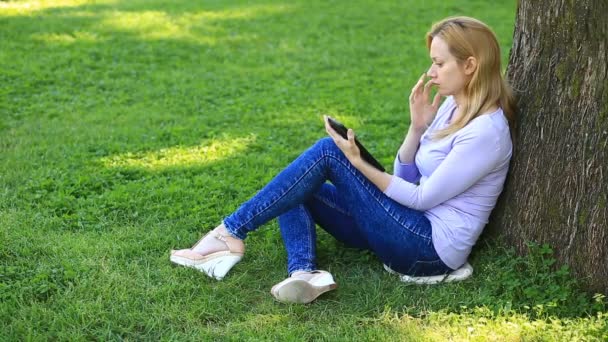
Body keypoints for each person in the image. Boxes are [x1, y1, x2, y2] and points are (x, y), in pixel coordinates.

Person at [170, 16, 516, 304]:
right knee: (295, 185)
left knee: (327, 152)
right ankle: (304, 273)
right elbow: (406, 178)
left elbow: (422, 198)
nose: (431, 72)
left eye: (440, 63)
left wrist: (359, 164)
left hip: (427, 249)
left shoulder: (487, 131)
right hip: (406, 223)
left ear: (470, 65)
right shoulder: (454, 103)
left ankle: (230, 232)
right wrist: (417, 128)